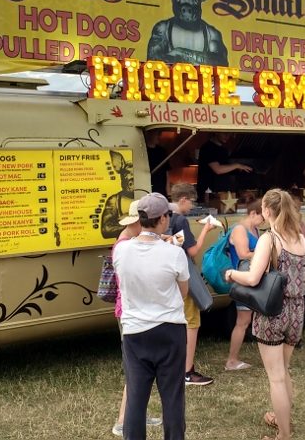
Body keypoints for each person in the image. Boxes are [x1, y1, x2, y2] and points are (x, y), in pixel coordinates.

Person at [224, 189, 305, 440]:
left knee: (275, 378)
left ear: (266, 210)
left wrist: (232, 274)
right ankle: (280, 417)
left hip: (272, 313)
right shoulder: (302, 241)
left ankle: (283, 435)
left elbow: (253, 277)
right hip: (297, 312)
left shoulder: (269, 239)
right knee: (283, 370)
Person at [112, 193, 189, 440]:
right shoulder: (175, 254)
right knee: (172, 396)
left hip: (135, 331)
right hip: (170, 329)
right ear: (163, 219)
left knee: (136, 397)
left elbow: (131, 243)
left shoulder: (121, 251)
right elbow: (183, 292)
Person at [110, 200, 163, 437]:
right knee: (135, 371)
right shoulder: (125, 246)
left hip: (129, 312)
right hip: (129, 312)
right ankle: (124, 420)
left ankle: (135, 413)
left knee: (138, 369)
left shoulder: (126, 242)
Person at [166, 183, 217, 386]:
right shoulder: (180, 220)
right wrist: (206, 229)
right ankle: (188, 371)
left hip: (165, 278)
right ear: (184, 199)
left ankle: (173, 366)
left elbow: (172, 242)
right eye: (191, 202)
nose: (191, 207)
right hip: (180, 277)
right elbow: (193, 250)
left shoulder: (162, 215)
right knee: (192, 321)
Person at [225, 201, 264, 371]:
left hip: (252, 278)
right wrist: (266, 252)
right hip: (243, 280)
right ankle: (231, 360)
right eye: (262, 216)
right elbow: (243, 254)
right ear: (253, 213)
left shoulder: (254, 229)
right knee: (243, 321)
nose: (264, 220)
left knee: (249, 320)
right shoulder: (240, 229)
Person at [196, 133, 252, 200]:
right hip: (209, 193)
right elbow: (218, 169)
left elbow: (226, 170)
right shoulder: (208, 148)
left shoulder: (223, 150)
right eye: (224, 134)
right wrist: (237, 165)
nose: (227, 136)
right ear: (216, 132)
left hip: (223, 193)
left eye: (229, 134)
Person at [145, 130, 169, 195]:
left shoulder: (162, 151)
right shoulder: (143, 151)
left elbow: (166, 172)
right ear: (149, 134)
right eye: (157, 134)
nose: (159, 136)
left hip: (161, 190)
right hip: (147, 188)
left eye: (159, 134)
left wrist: (168, 191)